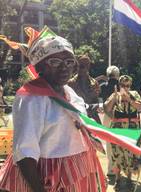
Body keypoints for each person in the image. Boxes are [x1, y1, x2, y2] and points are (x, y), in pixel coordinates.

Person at [0, 26, 106, 192]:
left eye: (69, 62)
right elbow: (25, 152)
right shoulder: (31, 97)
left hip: (77, 169)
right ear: (39, 66)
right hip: (47, 176)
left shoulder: (68, 91)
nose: (64, 68)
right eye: (55, 62)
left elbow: (81, 119)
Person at [104, 75, 141, 190]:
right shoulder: (115, 95)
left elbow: (140, 107)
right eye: (123, 85)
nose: (125, 87)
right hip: (118, 129)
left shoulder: (135, 94)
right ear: (119, 85)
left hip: (131, 129)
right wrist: (114, 98)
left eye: (127, 85)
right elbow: (107, 109)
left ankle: (130, 179)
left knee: (130, 154)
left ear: (130, 85)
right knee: (117, 154)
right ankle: (118, 179)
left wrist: (129, 99)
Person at [99, 65, 120, 178]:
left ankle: (110, 168)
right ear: (117, 74)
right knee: (118, 142)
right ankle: (117, 168)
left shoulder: (103, 86)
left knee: (108, 143)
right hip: (118, 116)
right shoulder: (121, 85)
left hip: (107, 116)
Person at [68, 54, 101, 124]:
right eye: (78, 66)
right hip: (77, 118)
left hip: (92, 118)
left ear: (87, 67)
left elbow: (96, 102)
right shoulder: (70, 83)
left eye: (82, 66)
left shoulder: (94, 83)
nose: (79, 69)